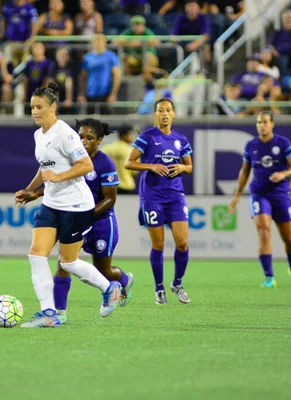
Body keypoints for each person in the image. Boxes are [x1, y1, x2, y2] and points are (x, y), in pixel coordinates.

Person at [14, 83, 121, 328]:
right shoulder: (38, 135)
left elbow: (86, 165)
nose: (35, 111)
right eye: (32, 107)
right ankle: (49, 313)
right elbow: (45, 168)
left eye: (39, 107)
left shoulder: (65, 133)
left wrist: (60, 177)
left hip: (76, 206)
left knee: (68, 262)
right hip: (52, 204)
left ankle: (109, 288)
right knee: (36, 255)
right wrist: (31, 191)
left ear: (53, 108)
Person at [125, 98, 193, 305]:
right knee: (159, 244)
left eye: (168, 110)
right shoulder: (146, 137)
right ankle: (159, 288)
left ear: (173, 114)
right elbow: (129, 162)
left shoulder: (181, 140)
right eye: (160, 110)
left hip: (175, 196)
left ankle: (177, 283)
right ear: (155, 114)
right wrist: (151, 167)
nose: (164, 113)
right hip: (152, 197)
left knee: (182, 243)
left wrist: (182, 167)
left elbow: (189, 166)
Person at [228, 111, 291, 288]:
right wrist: (237, 195)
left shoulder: (282, 143)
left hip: (280, 194)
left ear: (272, 124)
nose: (261, 125)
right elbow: (245, 171)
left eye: (265, 122)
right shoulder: (251, 145)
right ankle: (269, 277)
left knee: (289, 240)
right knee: (263, 230)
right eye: (258, 122)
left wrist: (283, 174)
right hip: (259, 193)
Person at [102, 123, 138, 194]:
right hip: (126, 186)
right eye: (131, 134)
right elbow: (134, 171)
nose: (133, 137)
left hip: (109, 186)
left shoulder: (105, 149)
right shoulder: (131, 151)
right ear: (125, 135)